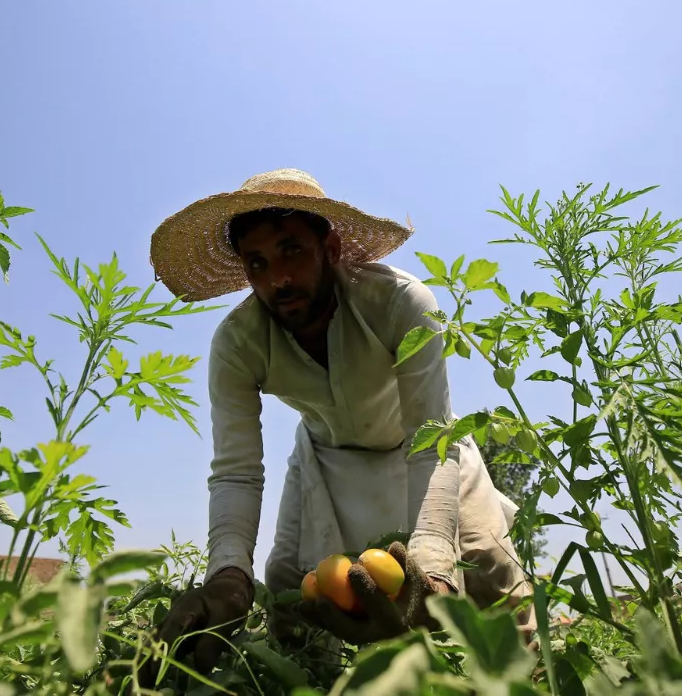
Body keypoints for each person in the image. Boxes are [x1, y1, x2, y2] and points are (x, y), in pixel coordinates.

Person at [143, 168, 533, 679]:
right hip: (324, 458)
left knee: (489, 572)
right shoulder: (237, 344)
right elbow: (236, 472)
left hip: (425, 450)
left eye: (291, 252)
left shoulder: (399, 302)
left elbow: (428, 440)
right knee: (289, 588)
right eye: (256, 263)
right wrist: (228, 578)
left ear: (330, 246)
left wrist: (434, 561)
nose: (277, 279)